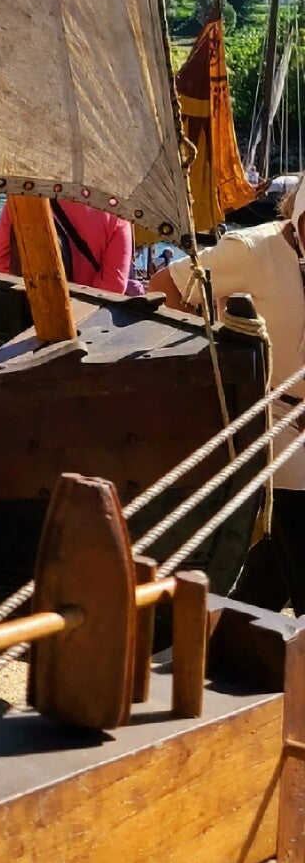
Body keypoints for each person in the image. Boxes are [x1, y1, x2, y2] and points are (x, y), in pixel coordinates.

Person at [147, 184, 305, 608]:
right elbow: (164, 288)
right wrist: (214, 362)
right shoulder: (253, 249)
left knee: (263, 592)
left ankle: (218, 654)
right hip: (270, 434)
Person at [0, 195, 132, 294]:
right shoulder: (116, 211)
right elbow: (113, 287)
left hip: (26, 314)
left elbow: (1, 268)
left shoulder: (22, 197)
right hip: (85, 324)